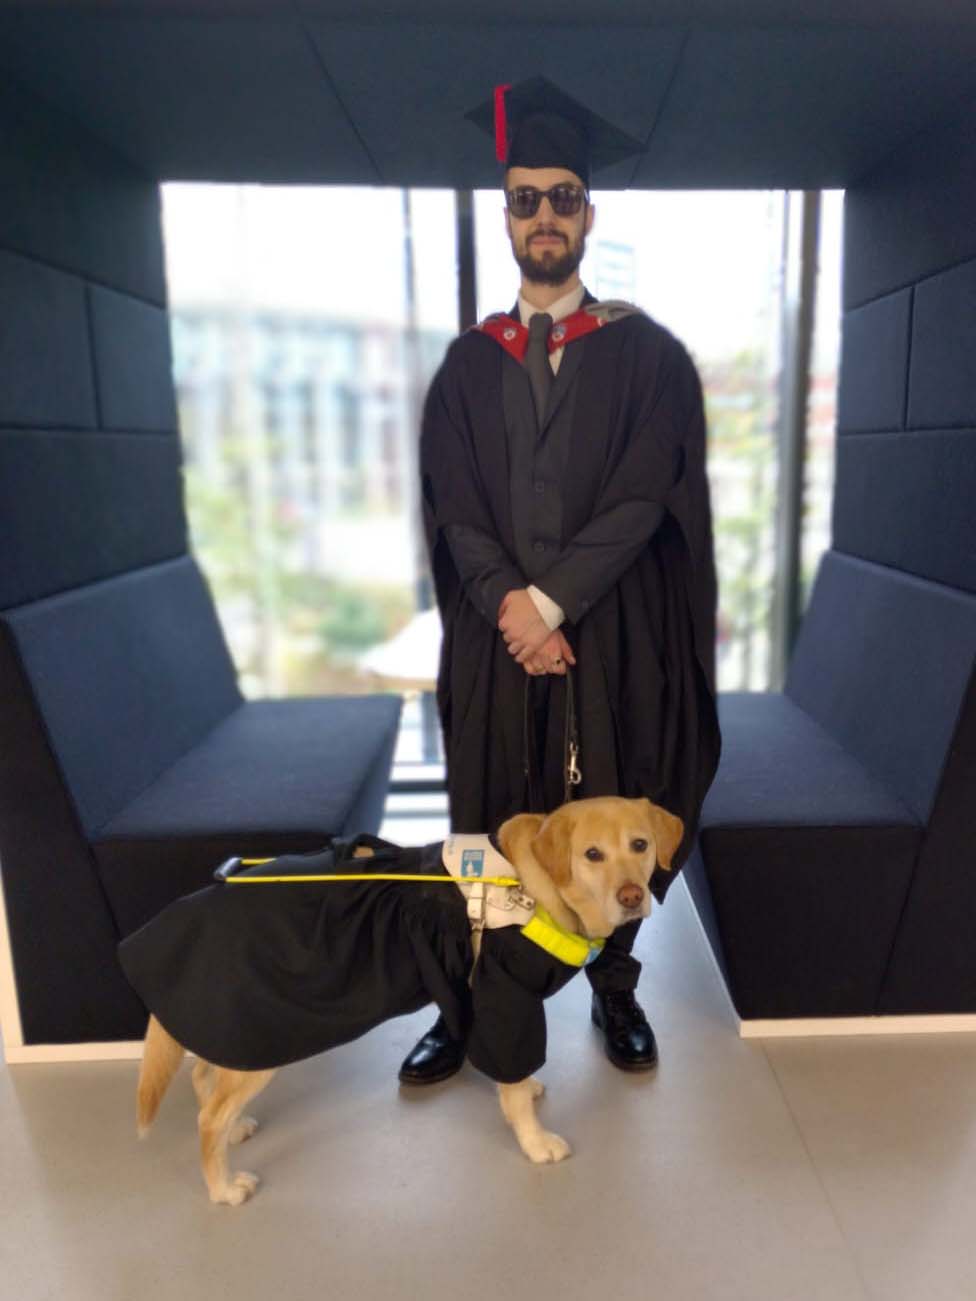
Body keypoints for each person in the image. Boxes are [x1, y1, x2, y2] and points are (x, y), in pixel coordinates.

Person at [400, 77, 721, 1085]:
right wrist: (509, 603)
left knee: (611, 811)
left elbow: (645, 494)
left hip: (609, 630)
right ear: (506, 215)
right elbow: (453, 505)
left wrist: (551, 600)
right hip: (500, 637)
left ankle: (612, 991)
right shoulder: (466, 365)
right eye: (526, 198)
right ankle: (468, 997)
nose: (546, 215)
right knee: (489, 806)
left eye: (563, 196)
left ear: (590, 212)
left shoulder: (648, 357)